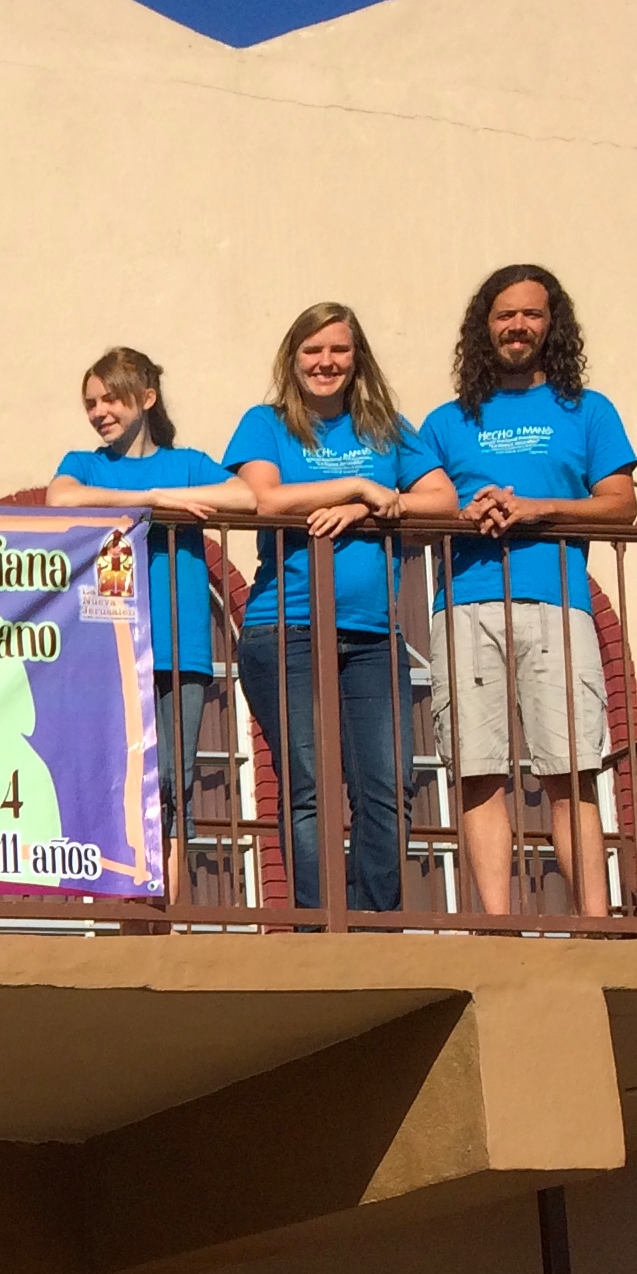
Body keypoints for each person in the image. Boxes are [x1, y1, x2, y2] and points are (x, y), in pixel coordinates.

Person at [420, 263, 637, 918]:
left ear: (552, 325)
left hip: (557, 602)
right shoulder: (445, 421)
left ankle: (595, 928)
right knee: (477, 772)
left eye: (531, 315)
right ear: (485, 328)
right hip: (463, 604)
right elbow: (419, 508)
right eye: (504, 315)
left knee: (571, 770)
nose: (517, 326)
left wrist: (535, 509)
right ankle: (497, 928)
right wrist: (467, 513)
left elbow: (621, 505)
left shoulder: (588, 411)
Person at [223, 303, 455, 914]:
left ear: (357, 359)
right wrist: (356, 486)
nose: (326, 362)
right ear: (293, 358)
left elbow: (444, 500)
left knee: (389, 787)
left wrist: (368, 509)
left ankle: (376, 925)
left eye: (338, 351)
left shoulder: (385, 427)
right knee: (309, 787)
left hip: (374, 637)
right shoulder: (266, 423)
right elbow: (264, 500)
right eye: (312, 351)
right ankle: (319, 924)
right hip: (285, 630)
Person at [43, 348, 253, 838]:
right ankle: (130, 917)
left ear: (147, 399)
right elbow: (61, 496)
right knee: (117, 783)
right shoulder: (86, 465)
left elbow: (245, 496)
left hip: (182, 647)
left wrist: (178, 496)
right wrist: (153, 501)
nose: (100, 413)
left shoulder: (187, 464)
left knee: (173, 788)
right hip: (110, 647)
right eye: (92, 404)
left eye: (111, 400)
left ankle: (169, 917)